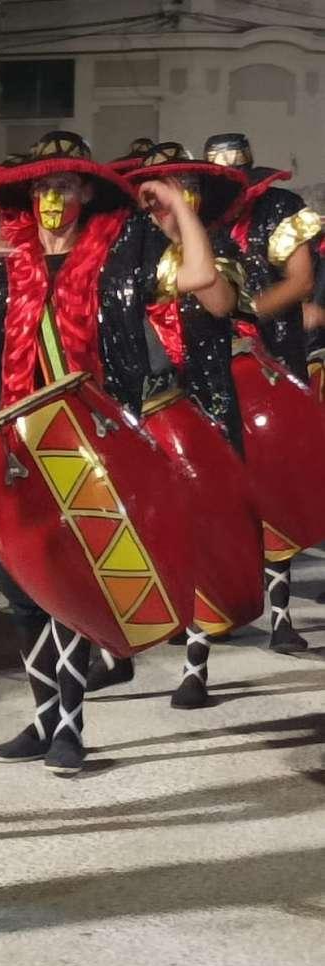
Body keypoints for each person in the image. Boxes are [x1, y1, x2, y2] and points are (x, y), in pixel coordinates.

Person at [0, 132, 160, 775]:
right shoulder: (6, 262)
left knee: (68, 583)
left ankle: (70, 728)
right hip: (13, 435)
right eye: (42, 187)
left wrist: (174, 209)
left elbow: (198, 282)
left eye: (65, 186)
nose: (52, 198)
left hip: (84, 439)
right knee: (20, 588)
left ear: (86, 194)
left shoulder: (119, 256)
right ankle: (45, 717)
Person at [121, 142, 248, 707]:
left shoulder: (219, 249)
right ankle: (117, 650)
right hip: (141, 409)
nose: (168, 205)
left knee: (200, 533)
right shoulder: (130, 254)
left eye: (184, 193)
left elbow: (216, 301)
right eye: (160, 197)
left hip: (204, 406)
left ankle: (195, 665)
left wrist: (182, 218)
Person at [205, 132, 321, 654]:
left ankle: (280, 617)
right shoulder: (200, 211)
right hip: (210, 363)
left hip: (273, 358)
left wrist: (244, 315)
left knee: (273, 487)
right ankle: (221, 605)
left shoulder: (280, 207)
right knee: (219, 490)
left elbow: (299, 282)